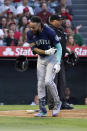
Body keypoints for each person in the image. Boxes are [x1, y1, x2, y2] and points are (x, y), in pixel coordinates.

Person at [27, 16, 62, 117]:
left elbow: (59, 47)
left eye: (33, 27)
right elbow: (34, 49)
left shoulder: (49, 31)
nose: (31, 29)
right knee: (40, 84)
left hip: (52, 58)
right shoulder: (30, 33)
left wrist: (58, 63)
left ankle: (57, 102)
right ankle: (42, 110)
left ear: (39, 25)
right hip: (41, 59)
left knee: (48, 81)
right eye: (30, 27)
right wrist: (45, 51)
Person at [47, 14, 74, 110]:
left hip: (60, 60)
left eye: (61, 20)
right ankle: (52, 104)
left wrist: (66, 50)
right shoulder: (48, 30)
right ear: (52, 21)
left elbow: (61, 44)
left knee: (62, 82)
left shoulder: (61, 30)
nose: (60, 21)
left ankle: (62, 103)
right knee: (53, 82)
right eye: (58, 20)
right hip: (51, 60)